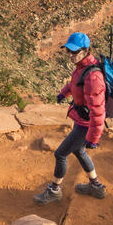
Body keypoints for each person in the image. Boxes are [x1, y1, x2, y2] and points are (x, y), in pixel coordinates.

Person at [34, 32, 107, 204]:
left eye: (74, 52)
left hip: (85, 125)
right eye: (68, 51)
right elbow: (75, 83)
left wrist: (93, 138)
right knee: (79, 151)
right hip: (81, 120)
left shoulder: (93, 76)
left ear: (85, 50)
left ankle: (54, 190)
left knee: (60, 154)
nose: (70, 55)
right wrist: (64, 93)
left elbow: (98, 111)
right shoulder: (83, 68)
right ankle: (96, 186)